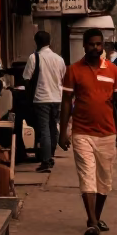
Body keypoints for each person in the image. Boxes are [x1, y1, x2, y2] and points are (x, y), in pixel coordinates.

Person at [59, 28, 117, 235]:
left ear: (103, 45)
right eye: (91, 44)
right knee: (87, 176)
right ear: (84, 45)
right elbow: (65, 103)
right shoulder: (73, 70)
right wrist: (63, 132)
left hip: (107, 132)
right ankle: (91, 221)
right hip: (82, 132)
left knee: (104, 180)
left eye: (99, 44)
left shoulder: (112, 70)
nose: (95, 48)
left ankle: (96, 217)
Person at [23, 30, 67, 173]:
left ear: (36, 42)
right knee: (53, 127)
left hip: (41, 98)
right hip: (57, 98)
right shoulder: (59, 59)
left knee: (44, 130)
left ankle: (46, 161)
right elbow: (63, 79)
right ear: (50, 41)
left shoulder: (34, 57)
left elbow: (26, 79)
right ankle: (51, 155)